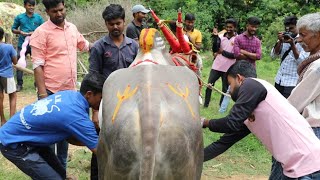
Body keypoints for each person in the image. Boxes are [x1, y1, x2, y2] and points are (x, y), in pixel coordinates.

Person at [202, 60, 320, 179]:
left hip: (308, 167)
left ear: (239, 78)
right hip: (299, 167)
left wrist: (205, 122)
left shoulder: (251, 84)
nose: (230, 90)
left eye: (230, 84)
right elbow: (223, 143)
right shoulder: (250, 112)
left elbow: (230, 122)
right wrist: (193, 158)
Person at [0, 72, 104, 180]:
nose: (102, 102)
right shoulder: (76, 115)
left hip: (27, 136)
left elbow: (69, 138)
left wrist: (88, 141)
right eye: (101, 98)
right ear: (89, 94)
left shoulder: (71, 95)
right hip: (13, 142)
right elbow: (99, 151)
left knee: (62, 176)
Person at [29, 0, 91, 172]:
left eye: (61, 10)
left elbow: (85, 45)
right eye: (54, 11)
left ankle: (61, 173)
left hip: (69, 92)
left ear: (65, 8)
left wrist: (105, 45)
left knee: (64, 138)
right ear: (47, 11)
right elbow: (38, 66)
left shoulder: (72, 28)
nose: (59, 14)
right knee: (48, 140)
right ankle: (48, 174)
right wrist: (43, 97)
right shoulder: (41, 33)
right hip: (50, 92)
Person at [88, 4, 139, 179]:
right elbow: (93, 80)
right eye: (111, 24)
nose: (115, 27)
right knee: (101, 145)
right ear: (106, 24)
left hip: (131, 103)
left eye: (118, 23)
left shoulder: (135, 46)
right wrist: (95, 112)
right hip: (107, 104)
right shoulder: (99, 47)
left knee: (131, 141)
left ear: (124, 22)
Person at [267, 12, 320, 180]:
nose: (299, 39)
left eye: (303, 35)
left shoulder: (316, 67)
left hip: (310, 130)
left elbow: (294, 104)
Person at [271, 15, 309, 98]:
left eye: (291, 28)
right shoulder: (283, 38)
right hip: (279, 79)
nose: (289, 31)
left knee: (288, 107)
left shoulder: (303, 41)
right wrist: (280, 42)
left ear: (298, 27)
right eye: (287, 29)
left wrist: (292, 44)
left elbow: (302, 62)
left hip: (292, 82)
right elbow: (273, 55)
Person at [204, 18, 237, 110]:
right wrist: (215, 37)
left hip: (229, 68)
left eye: (231, 27)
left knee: (225, 89)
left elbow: (235, 55)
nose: (229, 29)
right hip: (217, 66)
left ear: (235, 27)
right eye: (227, 27)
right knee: (209, 85)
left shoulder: (237, 39)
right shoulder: (221, 36)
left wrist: (222, 52)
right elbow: (215, 49)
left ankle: (221, 107)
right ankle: (205, 105)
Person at [11, 0, 44, 92]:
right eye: (29, 5)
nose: (31, 7)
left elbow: (44, 29)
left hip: (35, 45)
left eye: (33, 6)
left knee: (37, 64)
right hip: (22, 44)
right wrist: (20, 32)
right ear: (25, 5)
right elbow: (13, 29)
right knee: (19, 64)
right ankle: (19, 85)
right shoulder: (19, 17)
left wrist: (35, 33)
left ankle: (37, 84)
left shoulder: (38, 18)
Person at [0, 27, 18, 126]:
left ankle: (2, 120)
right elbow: (15, 61)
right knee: (13, 95)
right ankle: (11, 120)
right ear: (2, 36)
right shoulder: (8, 47)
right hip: (7, 74)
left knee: (0, 97)